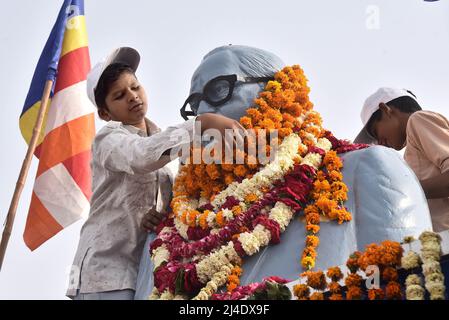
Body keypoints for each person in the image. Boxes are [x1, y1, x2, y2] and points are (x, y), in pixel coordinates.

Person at [66, 47, 245, 300]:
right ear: (105, 113)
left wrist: (159, 216)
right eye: (119, 95)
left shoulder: (161, 141)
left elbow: (172, 191)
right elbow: (141, 156)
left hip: (144, 271)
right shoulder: (108, 140)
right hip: (105, 272)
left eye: (135, 87)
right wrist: (201, 123)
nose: (132, 96)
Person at [355, 87, 449, 232]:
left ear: (386, 109)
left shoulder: (419, 120)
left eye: (376, 132)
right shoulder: (407, 157)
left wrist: (402, 191)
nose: (379, 142)